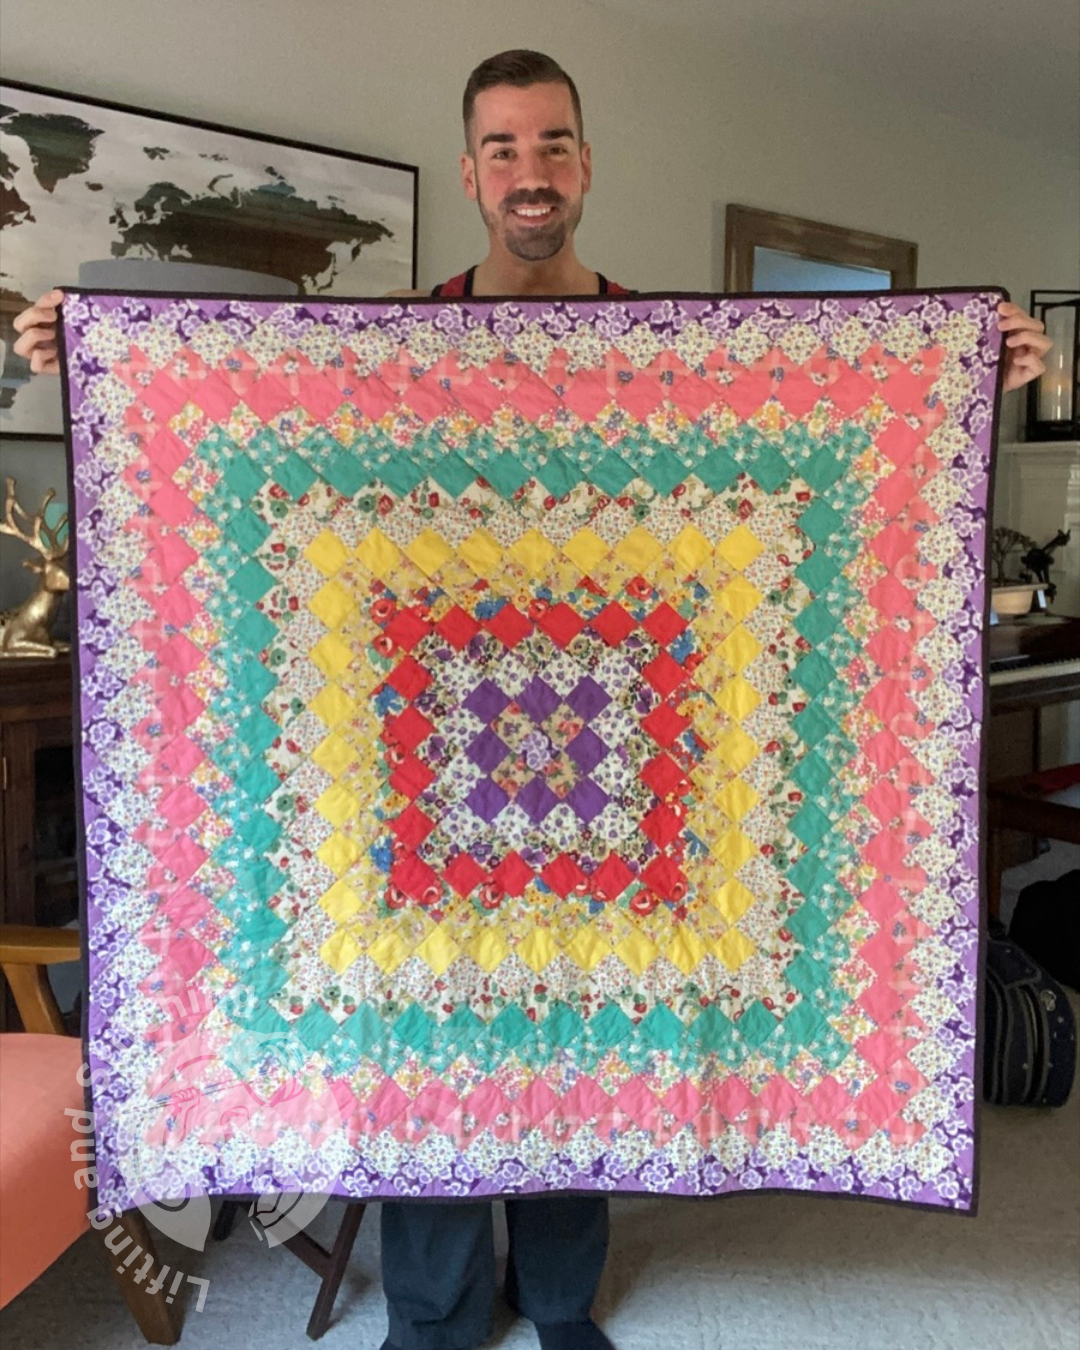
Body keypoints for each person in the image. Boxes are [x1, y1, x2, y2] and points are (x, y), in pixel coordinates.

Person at [12, 48, 1053, 1350]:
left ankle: (559, 1299)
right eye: (503, 148)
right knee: (430, 1042)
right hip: (417, 760)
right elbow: (267, 457)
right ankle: (437, 1312)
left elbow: (812, 460)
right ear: (471, 171)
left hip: (621, 758)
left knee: (583, 1020)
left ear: (586, 164)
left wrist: (970, 368)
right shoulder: (404, 343)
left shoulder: (664, 348)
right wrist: (100, 353)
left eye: (553, 143)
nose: (530, 171)